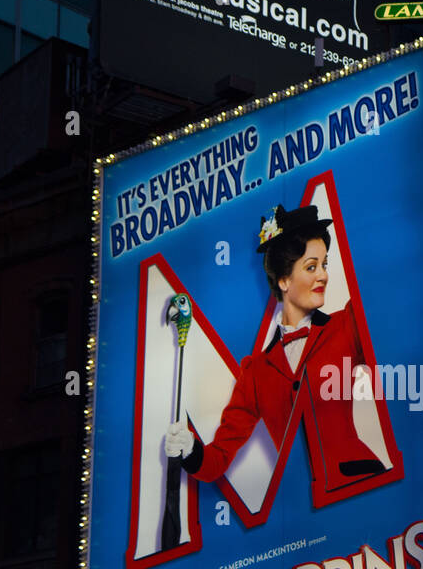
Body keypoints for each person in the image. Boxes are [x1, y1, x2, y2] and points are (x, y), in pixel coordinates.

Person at [165, 204, 388, 490]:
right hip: (303, 514)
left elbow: (388, 318)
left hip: (363, 484)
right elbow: (215, 463)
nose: (323, 276)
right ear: (283, 280)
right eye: (311, 267)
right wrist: (190, 450)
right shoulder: (255, 373)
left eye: (324, 264)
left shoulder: (346, 325)